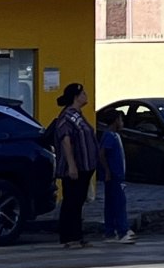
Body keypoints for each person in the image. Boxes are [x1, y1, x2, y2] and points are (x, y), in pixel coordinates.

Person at [52, 82, 99, 248]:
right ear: (75, 97)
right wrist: (72, 165)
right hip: (74, 168)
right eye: (83, 94)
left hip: (86, 166)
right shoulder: (67, 116)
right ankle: (68, 237)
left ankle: (78, 236)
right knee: (71, 201)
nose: (86, 96)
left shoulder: (79, 115)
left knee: (78, 202)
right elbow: (66, 141)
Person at [99, 110, 136, 244]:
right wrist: (108, 170)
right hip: (115, 176)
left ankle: (110, 231)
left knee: (111, 204)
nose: (122, 123)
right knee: (119, 204)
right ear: (115, 121)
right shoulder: (110, 136)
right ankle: (122, 231)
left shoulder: (113, 135)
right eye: (121, 120)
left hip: (115, 175)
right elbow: (102, 154)